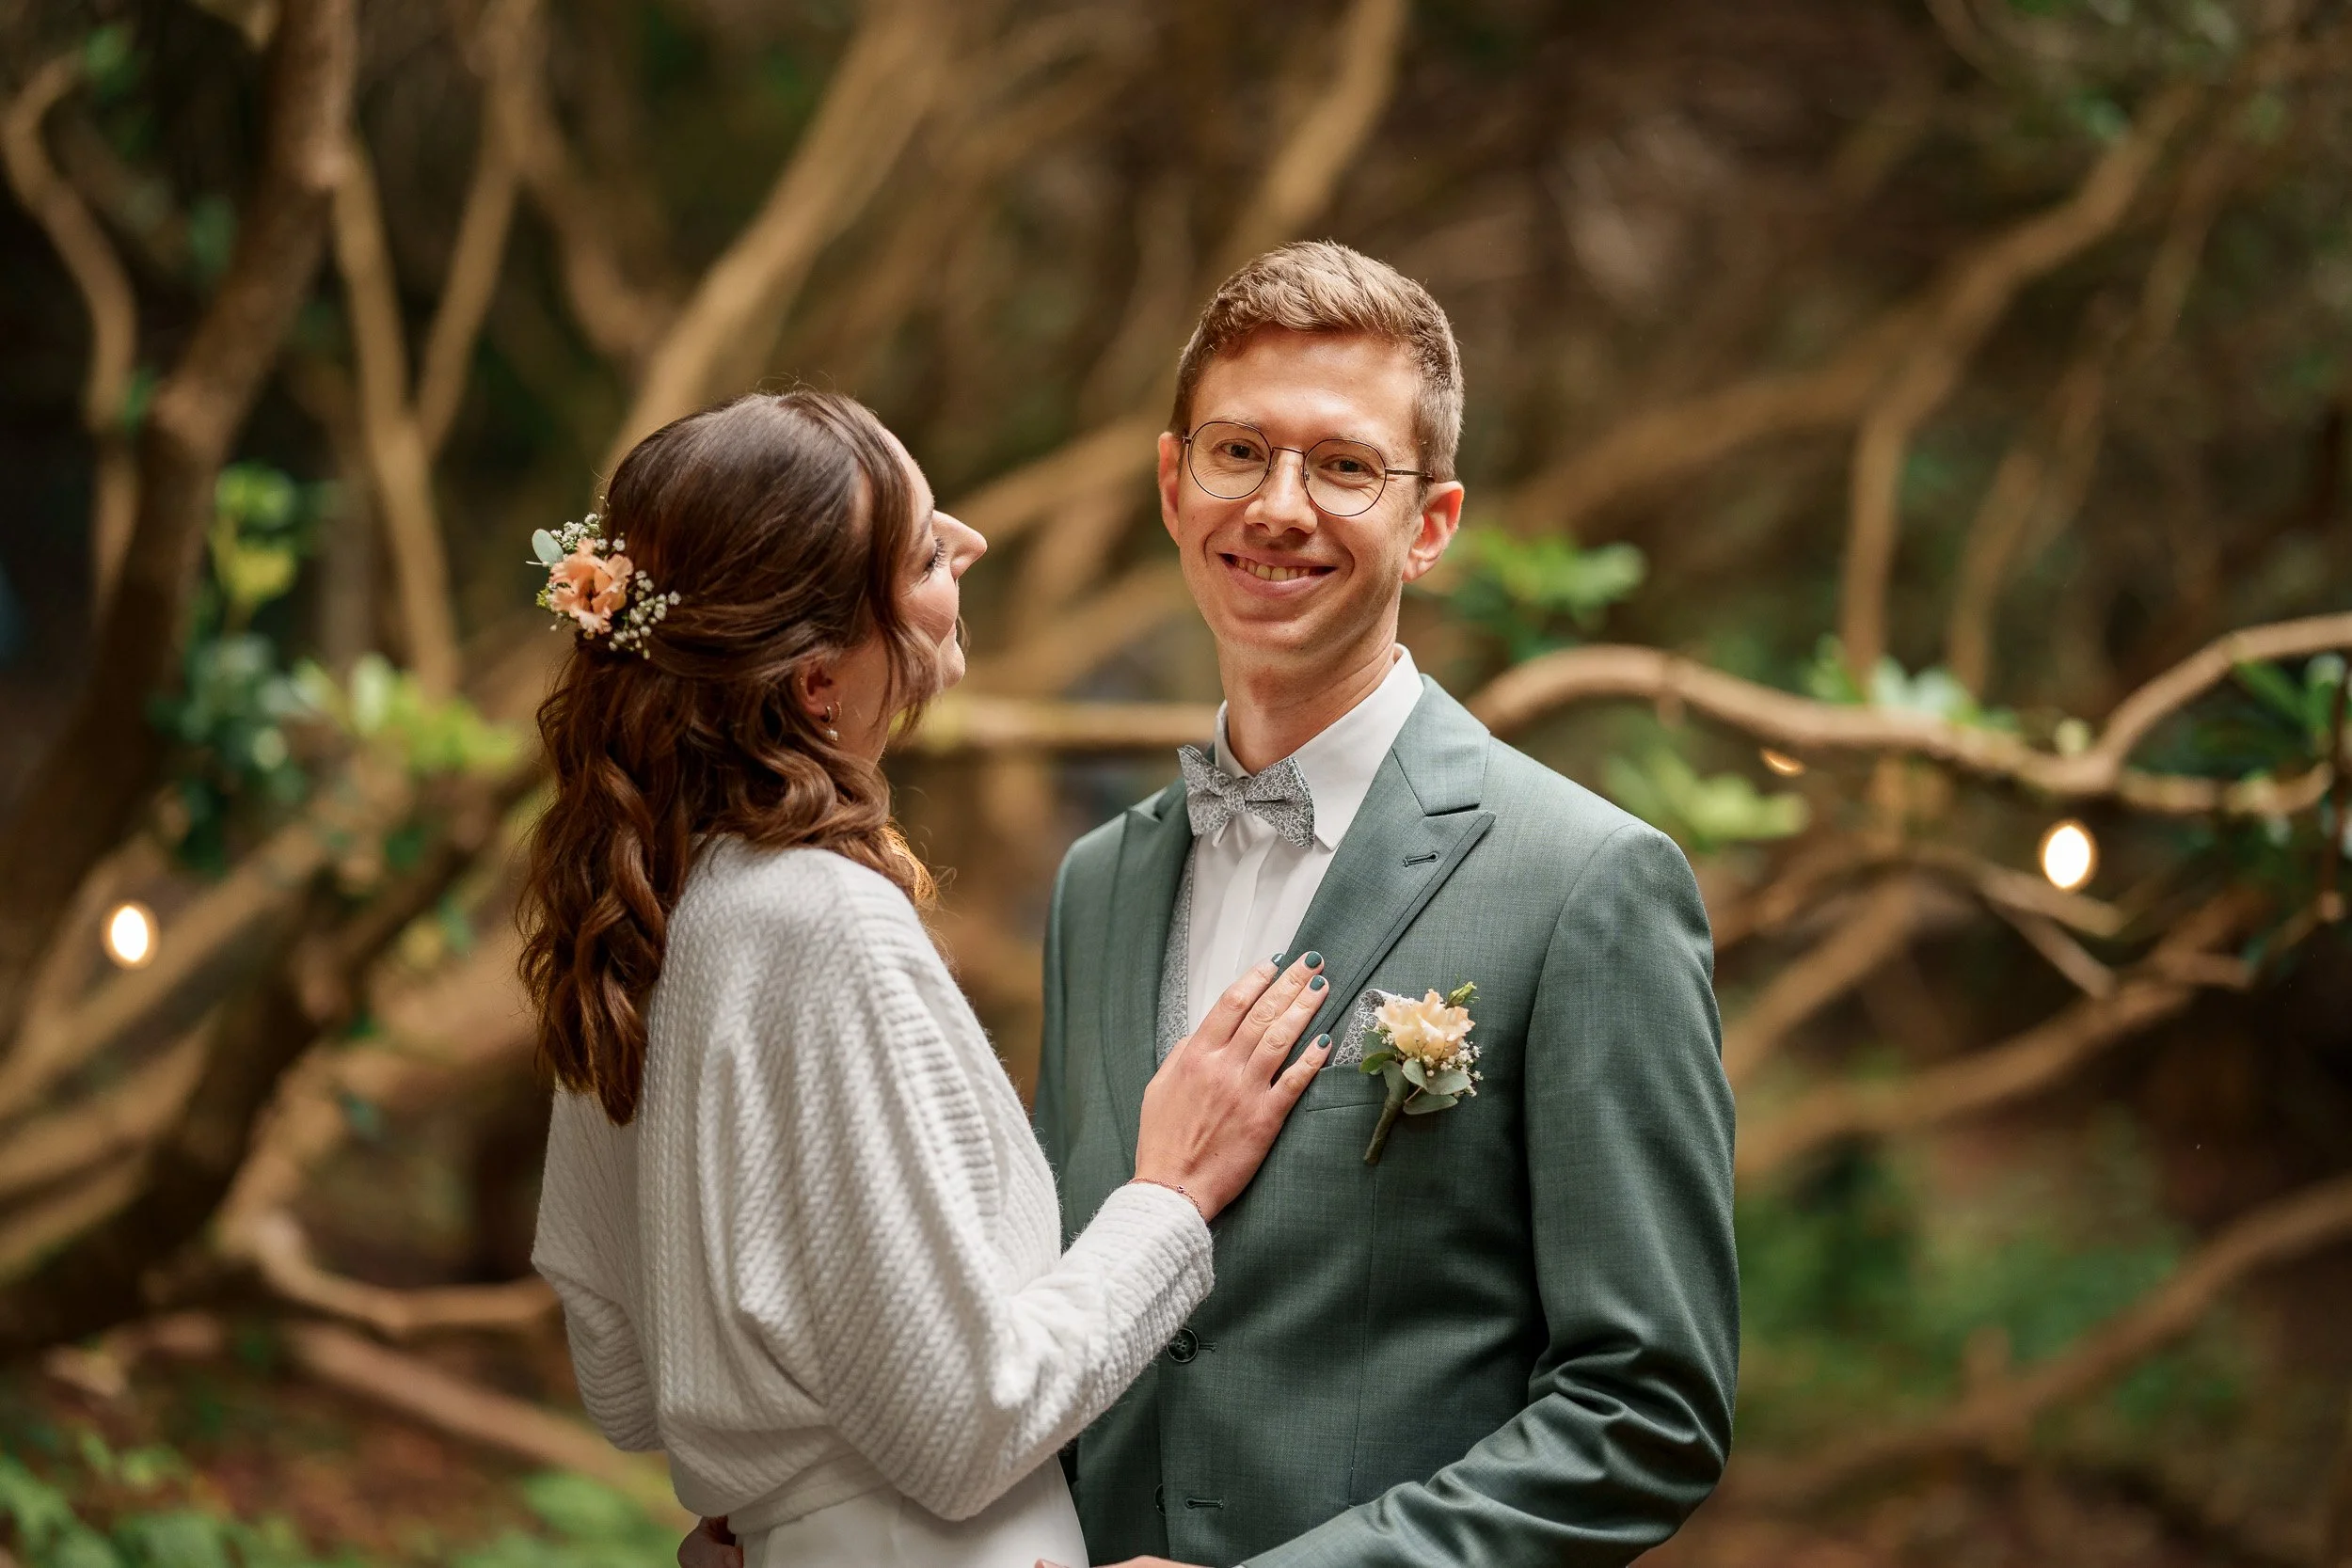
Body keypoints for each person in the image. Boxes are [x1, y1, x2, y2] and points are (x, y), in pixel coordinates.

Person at [520, 388, 1337, 1568]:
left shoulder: (650, 913)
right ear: (814, 685)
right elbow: (971, 1424)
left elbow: (623, 1377)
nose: (974, 545)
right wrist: (1170, 1192)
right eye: (922, 550)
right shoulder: (824, 920)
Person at [1030, 242, 1740, 1567]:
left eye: (1344, 465)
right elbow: (1052, 1313)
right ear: (1174, 485)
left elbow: (1646, 1409)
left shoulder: (1589, 882)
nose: (1279, 505)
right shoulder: (1098, 885)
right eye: (1239, 452)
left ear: (1432, 521)